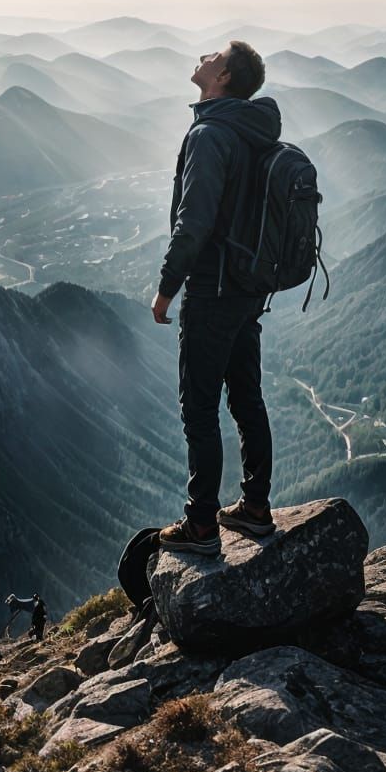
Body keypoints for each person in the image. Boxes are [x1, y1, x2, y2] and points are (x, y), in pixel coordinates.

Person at [152, 40, 279, 555]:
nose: (202, 57)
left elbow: (194, 223)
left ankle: (202, 525)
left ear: (223, 76)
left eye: (212, 54)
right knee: (247, 398)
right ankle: (255, 507)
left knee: (199, 408)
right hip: (248, 288)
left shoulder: (210, 134)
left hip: (213, 289)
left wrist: (166, 287)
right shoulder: (250, 128)